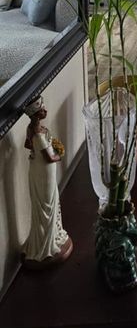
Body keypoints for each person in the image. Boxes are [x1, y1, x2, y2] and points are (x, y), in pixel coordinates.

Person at [23, 98, 73, 268]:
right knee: (48, 204)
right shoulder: (37, 132)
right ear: (35, 115)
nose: (45, 111)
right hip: (44, 171)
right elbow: (49, 158)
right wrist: (60, 155)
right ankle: (47, 241)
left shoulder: (31, 129)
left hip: (37, 169)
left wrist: (33, 151)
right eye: (42, 110)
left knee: (46, 203)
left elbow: (26, 144)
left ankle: (50, 234)